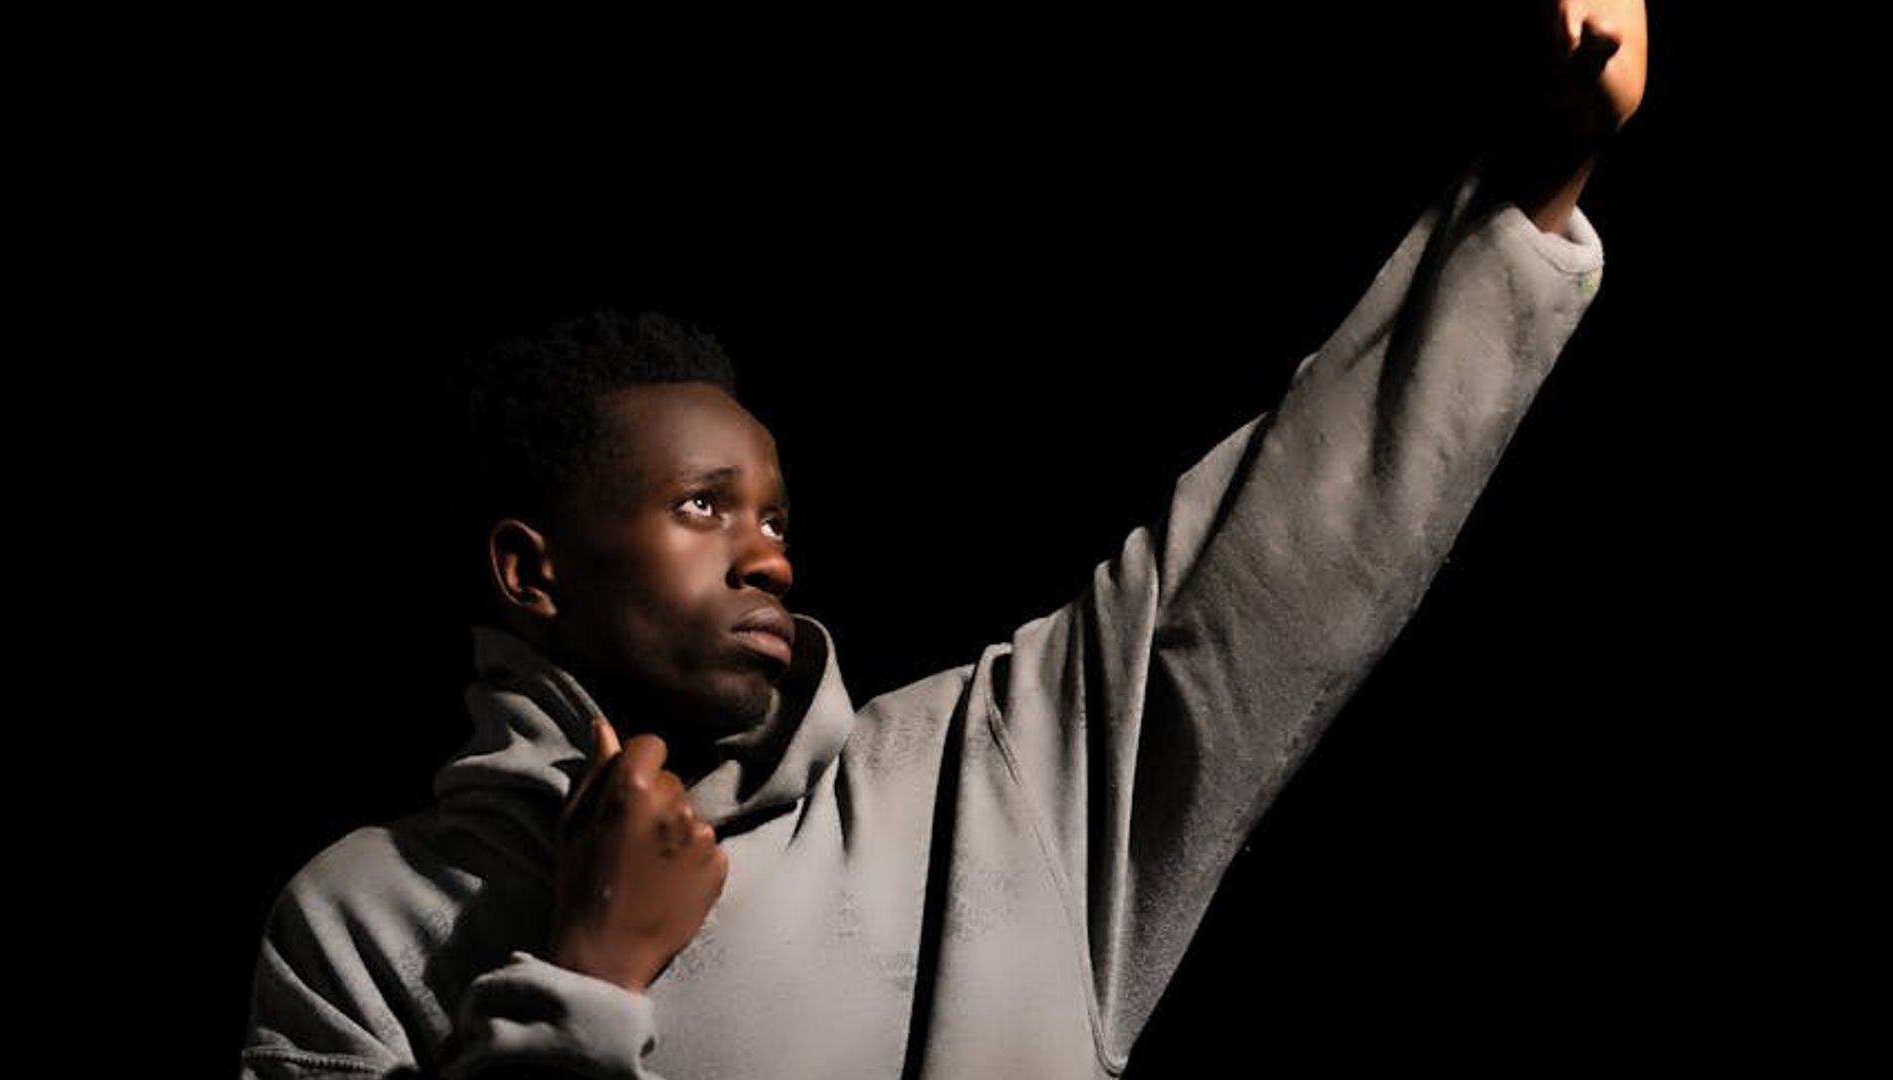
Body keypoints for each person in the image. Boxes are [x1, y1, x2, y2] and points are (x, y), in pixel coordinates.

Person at [240, 5, 1647, 1076]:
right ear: (530, 571)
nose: (771, 553)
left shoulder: (990, 782)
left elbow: (1295, 538)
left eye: (777, 514)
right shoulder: (358, 924)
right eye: (702, 508)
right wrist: (595, 974)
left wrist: (1534, 186)